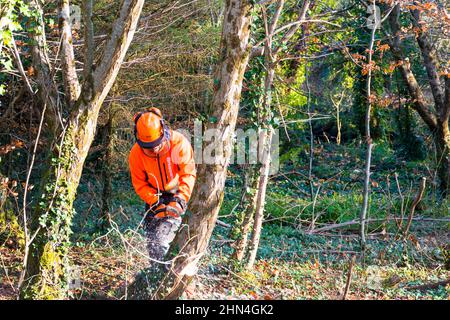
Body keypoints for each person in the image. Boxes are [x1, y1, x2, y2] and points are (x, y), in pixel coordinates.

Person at [129, 107, 196, 265]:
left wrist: (180, 199)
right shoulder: (136, 154)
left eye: (156, 144)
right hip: (154, 196)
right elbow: (140, 184)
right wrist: (155, 201)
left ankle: (177, 278)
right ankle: (156, 276)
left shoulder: (178, 143)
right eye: (148, 146)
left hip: (178, 193)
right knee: (154, 245)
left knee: (169, 241)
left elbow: (188, 173)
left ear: (163, 130)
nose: (154, 148)